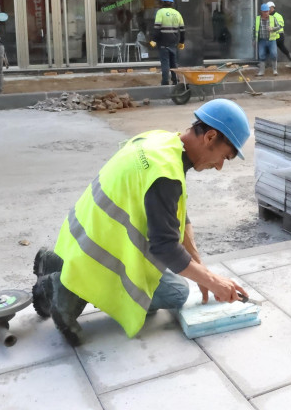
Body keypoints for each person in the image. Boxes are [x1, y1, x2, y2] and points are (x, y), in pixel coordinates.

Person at [31, 98, 251, 346]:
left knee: (176, 279)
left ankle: (57, 263)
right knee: (177, 292)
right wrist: (213, 282)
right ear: (210, 137)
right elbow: (165, 247)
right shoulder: (165, 175)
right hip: (100, 257)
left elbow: (177, 214)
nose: (220, 166)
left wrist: (203, 272)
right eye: (225, 157)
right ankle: (64, 291)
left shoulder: (159, 141)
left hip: (79, 238)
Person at [150, 0, 186, 86]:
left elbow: (157, 27)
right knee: (173, 62)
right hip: (173, 41)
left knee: (165, 62)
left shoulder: (160, 12)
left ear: (162, 3)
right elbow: (182, 29)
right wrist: (182, 41)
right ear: (172, 3)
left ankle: (165, 82)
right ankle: (175, 81)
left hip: (163, 41)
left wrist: (153, 39)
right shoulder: (177, 13)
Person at [254, 3, 282, 76]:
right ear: (261, 12)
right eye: (265, 11)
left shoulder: (273, 18)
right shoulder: (257, 19)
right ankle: (261, 72)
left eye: (267, 11)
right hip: (262, 40)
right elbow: (254, 30)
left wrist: (273, 29)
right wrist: (254, 39)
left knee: (274, 54)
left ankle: (275, 70)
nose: (266, 13)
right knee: (261, 55)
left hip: (271, 40)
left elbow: (279, 27)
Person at [267, 1, 291, 67]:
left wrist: (272, 29)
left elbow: (280, 25)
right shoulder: (271, 16)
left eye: (268, 8)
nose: (267, 10)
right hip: (277, 36)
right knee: (282, 48)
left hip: (278, 36)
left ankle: (267, 64)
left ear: (271, 8)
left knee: (268, 48)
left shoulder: (277, 16)